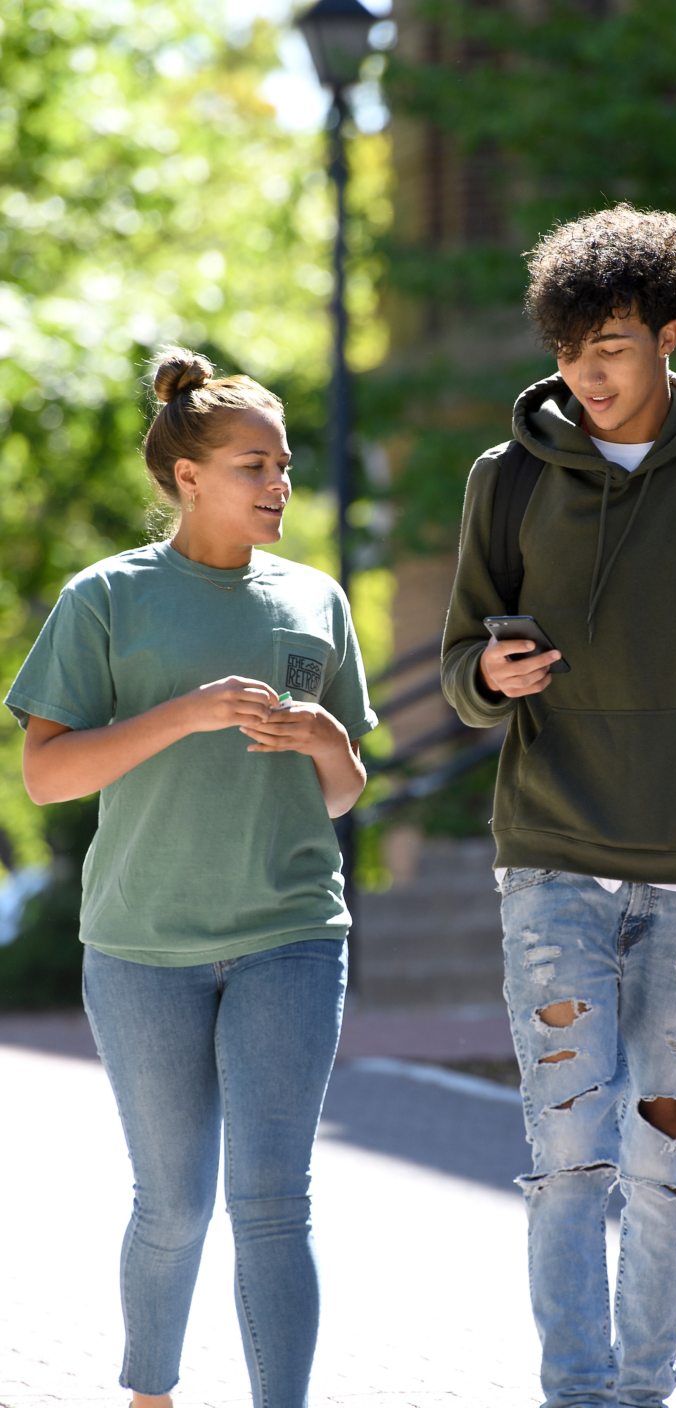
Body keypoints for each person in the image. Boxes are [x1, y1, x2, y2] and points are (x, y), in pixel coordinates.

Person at [441, 206, 676, 1407]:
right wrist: (488, 675)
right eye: (569, 349)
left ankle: (644, 1391)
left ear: (669, 335)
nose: (588, 372)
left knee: (662, 1155)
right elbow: (460, 660)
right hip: (552, 859)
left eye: (614, 346)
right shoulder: (506, 481)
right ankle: (578, 1393)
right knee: (567, 1149)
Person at [5, 348, 377, 1408]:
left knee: (275, 1204)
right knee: (172, 1205)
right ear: (187, 476)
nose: (279, 483)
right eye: (256, 465)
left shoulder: (316, 599)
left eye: (284, 464)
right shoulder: (106, 597)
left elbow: (344, 791)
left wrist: (324, 739)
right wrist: (186, 712)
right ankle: (150, 1396)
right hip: (143, 946)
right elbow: (45, 775)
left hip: (291, 934)